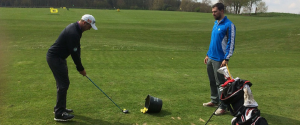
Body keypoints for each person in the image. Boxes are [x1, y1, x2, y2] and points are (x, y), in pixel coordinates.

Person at [46, 14, 98, 121]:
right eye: (89, 26)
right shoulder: (73, 32)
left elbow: (76, 49)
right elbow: (74, 54)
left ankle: (60, 108)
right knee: (63, 84)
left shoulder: (77, 29)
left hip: (59, 58)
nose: (89, 29)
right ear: (84, 23)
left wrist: (80, 67)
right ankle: (59, 114)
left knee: (63, 83)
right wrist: (80, 68)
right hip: (55, 58)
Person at [203, 3, 236, 115]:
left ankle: (223, 106)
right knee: (212, 81)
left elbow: (231, 43)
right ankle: (214, 100)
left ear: (221, 11)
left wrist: (226, 58)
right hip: (211, 57)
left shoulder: (229, 25)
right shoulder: (215, 24)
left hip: (220, 59)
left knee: (221, 83)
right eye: (212, 12)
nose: (213, 14)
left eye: (215, 12)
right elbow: (213, 42)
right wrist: (207, 54)